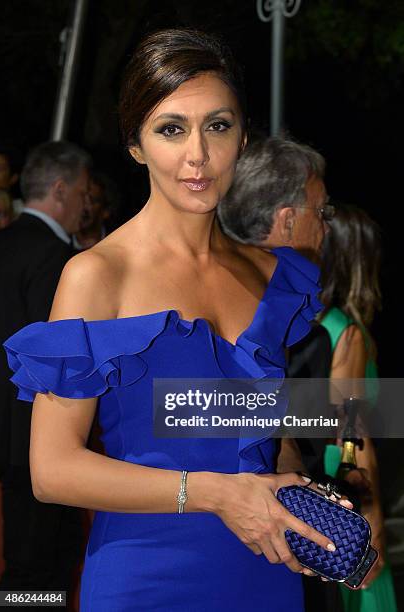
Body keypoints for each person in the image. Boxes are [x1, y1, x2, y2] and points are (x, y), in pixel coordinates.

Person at [3, 30, 352, 611]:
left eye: (218, 125)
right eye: (171, 129)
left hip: (265, 573)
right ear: (136, 145)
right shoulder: (96, 275)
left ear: (243, 138)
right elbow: (52, 470)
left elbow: (267, 434)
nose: (198, 155)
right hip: (146, 579)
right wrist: (215, 494)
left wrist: (301, 494)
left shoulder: (273, 277)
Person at [218, 135, 344, 609]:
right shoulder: (293, 318)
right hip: (285, 540)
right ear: (287, 219)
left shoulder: (217, 294)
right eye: (323, 212)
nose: (328, 227)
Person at [0, 141, 91, 594]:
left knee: (25, 563)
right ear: (60, 190)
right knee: (40, 569)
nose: (85, 206)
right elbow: (55, 361)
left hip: (10, 439)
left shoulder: (5, 244)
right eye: (82, 194)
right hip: (37, 440)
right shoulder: (56, 258)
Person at [320, 204, 397, 612]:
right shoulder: (347, 334)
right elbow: (352, 430)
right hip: (346, 476)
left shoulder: (318, 324)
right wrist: (373, 518)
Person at [72, 170, 118, 250]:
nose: (83, 206)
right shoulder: (57, 245)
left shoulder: (117, 244)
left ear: (106, 211)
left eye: (92, 200)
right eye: (81, 198)